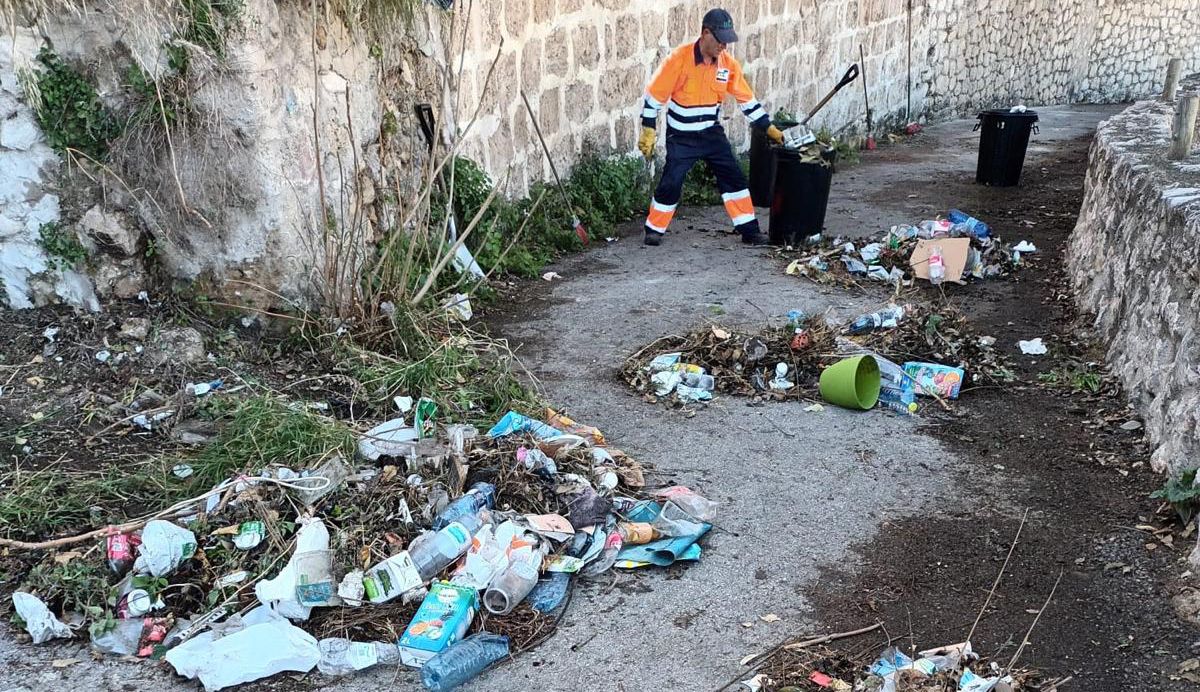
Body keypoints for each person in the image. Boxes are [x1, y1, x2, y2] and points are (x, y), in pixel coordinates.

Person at [638, 8, 784, 247]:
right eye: (720, 40)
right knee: (672, 180)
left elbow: (747, 100)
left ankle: (750, 231)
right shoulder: (679, 60)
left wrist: (768, 128)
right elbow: (654, 97)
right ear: (706, 33)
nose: (724, 46)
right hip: (681, 135)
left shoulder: (728, 65)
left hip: (710, 133)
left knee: (733, 177)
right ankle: (654, 229)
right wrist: (648, 128)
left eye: (727, 41)